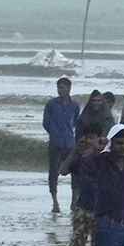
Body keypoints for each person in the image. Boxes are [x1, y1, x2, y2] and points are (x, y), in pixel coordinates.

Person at [60, 129, 105, 246]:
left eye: (91, 140)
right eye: (85, 140)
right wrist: (75, 151)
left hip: (101, 210)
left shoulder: (104, 158)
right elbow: (63, 171)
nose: (88, 143)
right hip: (83, 209)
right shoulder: (80, 159)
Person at [42, 77, 79, 213]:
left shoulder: (75, 105)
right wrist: (54, 133)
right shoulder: (51, 104)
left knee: (75, 171)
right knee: (53, 172)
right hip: (55, 143)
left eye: (62, 87)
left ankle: (74, 201)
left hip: (69, 142)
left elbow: (75, 121)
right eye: (58, 87)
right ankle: (55, 202)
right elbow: (46, 122)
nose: (60, 90)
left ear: (69, 88)